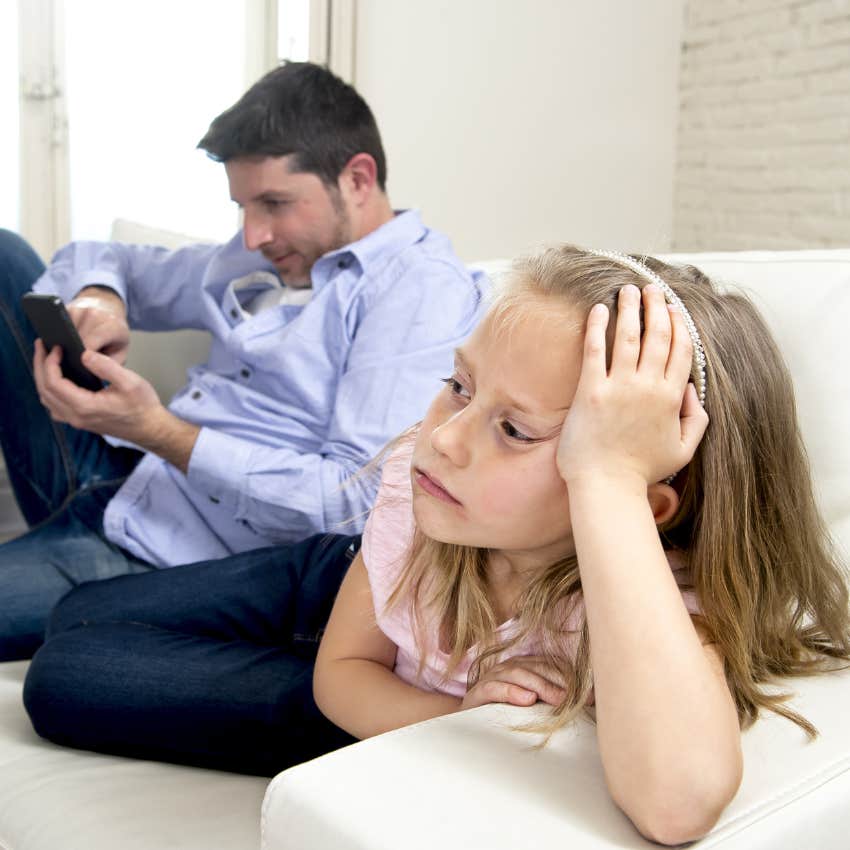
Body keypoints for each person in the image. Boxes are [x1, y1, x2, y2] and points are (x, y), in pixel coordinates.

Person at [24, 246, 850, 842]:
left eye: (515, 428)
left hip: (389, 691)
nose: (444, 438)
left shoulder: (646, 607)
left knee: (67, 670)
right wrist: (461, 703)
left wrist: (606, 483)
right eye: (458, 385)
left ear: (643, 497)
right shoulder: (416, 488)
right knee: (78, 612)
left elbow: (678, 803)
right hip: (347, 574)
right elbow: (345, 661)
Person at [0, 61, 487, 661]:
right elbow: (105, 258)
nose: (253, 234)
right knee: (4, 256)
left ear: (359, 178)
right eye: (243, 207)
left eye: (274, 203)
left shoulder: (415, 291)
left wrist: (157, 430)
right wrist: (102, 299)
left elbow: (351, 504)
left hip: (169, 549)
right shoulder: (269, 255)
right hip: (125, 471)